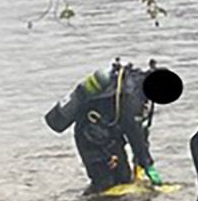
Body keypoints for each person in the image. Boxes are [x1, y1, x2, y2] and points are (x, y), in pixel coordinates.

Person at [44, 59, 159, 192]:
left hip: (110, 135)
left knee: (124, 178)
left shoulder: (138, 88)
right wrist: (147, 164)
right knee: (104, 183)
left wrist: (140, 161)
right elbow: (134, 131)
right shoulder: (132, 97)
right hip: (90, 136)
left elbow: (141, 129)